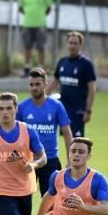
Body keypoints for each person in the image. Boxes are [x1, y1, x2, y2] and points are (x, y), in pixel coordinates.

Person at [17, 67, 73, 197]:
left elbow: (67, 133)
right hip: (28, 161)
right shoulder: (22, 107)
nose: (34, 87)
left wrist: (70, 161)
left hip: (50, 160)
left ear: (45, 84)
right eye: (31, 84)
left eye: (37, 84)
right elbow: (15, 135)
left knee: (52, 202)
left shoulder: (56, 106)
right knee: (22, 199)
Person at [47, 31, 96, 138]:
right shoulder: (62, 62)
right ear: (67, 44)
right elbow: (54, 82)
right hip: (64, 108)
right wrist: (43, 98)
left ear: (80, 45)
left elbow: (92, 89)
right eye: (70, 43)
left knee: (77, 140)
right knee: (65, 137)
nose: (72, 46)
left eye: (75, 43)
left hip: (78, 109)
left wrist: (88, 110)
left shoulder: (86, 64)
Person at [18, 0, 54, 78]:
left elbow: (49, 7)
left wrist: (41, 16)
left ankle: (41, 70)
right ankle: (27, 68)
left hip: (40, 24)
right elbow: (20, 8)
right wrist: (29, 15)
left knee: (41, 47)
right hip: (27, 24)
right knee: (27, 47)